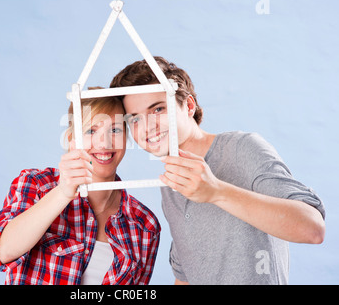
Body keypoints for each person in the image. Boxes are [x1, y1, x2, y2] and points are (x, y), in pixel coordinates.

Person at [109, 57, 325, 285]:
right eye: (135, 119)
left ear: (189, 106)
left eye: (158, 109)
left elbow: (313, 228)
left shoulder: (242, 148)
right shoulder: (171, 184)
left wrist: (217, 191)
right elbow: (185, 275)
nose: (146, 126)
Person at [0, 90, 160, 285]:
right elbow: (1, 253)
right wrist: (62, 193)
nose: (104, 143)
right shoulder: (36, 184)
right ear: (71, 140)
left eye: (115, 130)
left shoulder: (144, 225)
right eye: (91, 131)